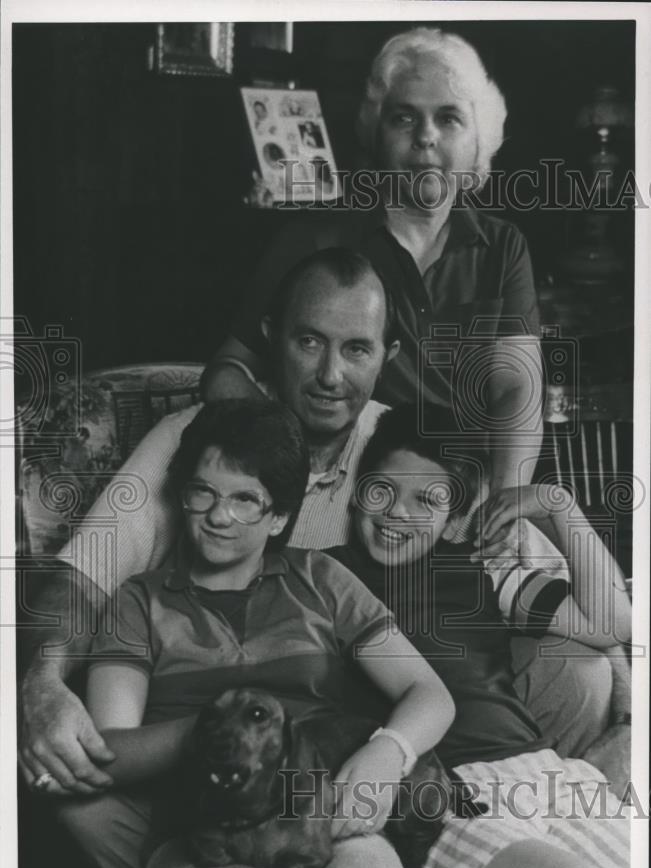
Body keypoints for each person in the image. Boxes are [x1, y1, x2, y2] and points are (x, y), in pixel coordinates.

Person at [18, 248, 624, 805]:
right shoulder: (200, 439)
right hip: (247, 717)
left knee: (584, 671)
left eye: (356, 349)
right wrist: (43, 680)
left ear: (387, 357)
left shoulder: (402, 450)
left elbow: (532, 573)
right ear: (271, 338)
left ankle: (518, 834)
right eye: (309, 342)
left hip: (400, 727)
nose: (331, 375)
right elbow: (84, 576)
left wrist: (625, 696)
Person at [56, 398, 454, 868]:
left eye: (245, 498)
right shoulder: (140, 602)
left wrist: (388, 751)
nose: (220, 517)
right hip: (203, 837)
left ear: (278, 516)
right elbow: (109, 753)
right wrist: (219, 732)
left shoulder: (319, 579)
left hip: (320, 823)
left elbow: (429, 692)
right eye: (202, 493)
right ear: (180, 495)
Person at [326, 403, 631, 868]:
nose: (397, 513)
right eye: (381, 491)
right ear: (355, 491)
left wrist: (559, 508)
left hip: (544, 775)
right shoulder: (322, 577)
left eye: (428, 501)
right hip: (441, 795)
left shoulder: (480, 572)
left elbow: (612, 624)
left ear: (453, 516)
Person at [214, 25, 543, 494]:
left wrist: (505, 506)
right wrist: (286, 459)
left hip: (461, 493)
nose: (425, 137)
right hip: (344, 490)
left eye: (449, 118)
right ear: (376, 133)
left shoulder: (504, 247)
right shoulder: (312, 240)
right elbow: (227, 371)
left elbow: (516, 390)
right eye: (404, 118)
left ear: (478, 144)